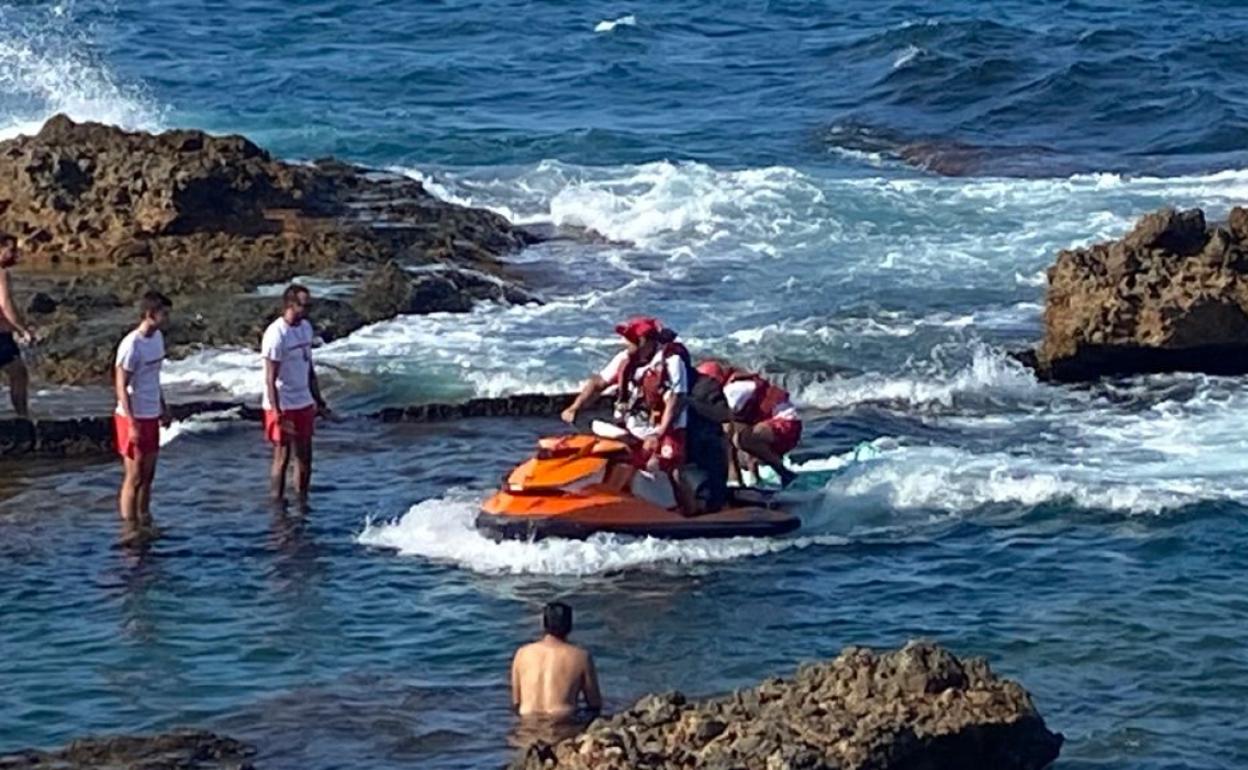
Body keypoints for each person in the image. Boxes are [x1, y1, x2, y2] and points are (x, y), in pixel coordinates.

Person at [562, 318, 697, 513]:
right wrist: (575, 407)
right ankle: (619, 503)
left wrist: (659, 434)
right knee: (616, 460)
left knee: (667, 465)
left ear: (644, 341)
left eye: (629, 339)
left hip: (667, 428)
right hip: (633, 426)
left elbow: (677, 400)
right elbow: (599, 383)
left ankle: (689, 513)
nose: (625, 343)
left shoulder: (671, 361)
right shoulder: (624, 360)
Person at [261, 284, 331, 506]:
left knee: (305, 456)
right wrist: (277, 410)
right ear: (290, 305)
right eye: (304, 305)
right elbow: (270, 378)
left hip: (303, 400)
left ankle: (302, 502)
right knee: (282, 456)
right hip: (283, 402)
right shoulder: (276, 334)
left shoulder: (306, 328)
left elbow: (308, 366)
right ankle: (277, 503)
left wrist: (318, 398)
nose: (308, 309)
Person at [114, 291, 174, 539]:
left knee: (149, 474)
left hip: (151, 412)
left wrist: (163, 406)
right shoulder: (132, 345)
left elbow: (153, 378)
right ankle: (129, 528)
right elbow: (120, 384)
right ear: (150, 314)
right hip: (132, 416)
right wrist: (131, 422)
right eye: (164, 314)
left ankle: (145, 519)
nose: (167, 319)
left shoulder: (157, 338)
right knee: (135, 475)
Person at [697, 361, 802, 488]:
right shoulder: (735, 386)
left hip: (786, 425)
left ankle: (784, 474)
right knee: (740, 436)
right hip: (777, 426)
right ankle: (755, 480)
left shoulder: (733, 390)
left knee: (740, 439)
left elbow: (724, 421)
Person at [511, 602, 602, 719]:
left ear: (544, 624)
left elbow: (516, 702)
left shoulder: (522, 653)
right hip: (563, 724)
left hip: (526, 726)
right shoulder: (581, 656)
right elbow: (594, 703)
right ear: (569, 625)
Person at [0, 233, 34, 417]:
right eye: (11, 250)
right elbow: (6, 305)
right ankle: (23, 417)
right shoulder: (1, 274)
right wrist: (23, 329)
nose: (14, 255)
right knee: (19, 374)